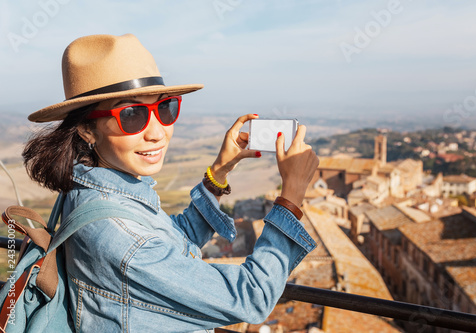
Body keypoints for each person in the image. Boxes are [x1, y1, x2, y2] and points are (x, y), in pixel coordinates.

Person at [22, 33, 319, 332]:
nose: (157, 133)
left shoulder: (92, 190)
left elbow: (173, 242)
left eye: (165, 108)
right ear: (87, 129)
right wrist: (291, 196)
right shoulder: (122, 237)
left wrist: (218, 172)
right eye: (132, 114)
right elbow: (250, 297)